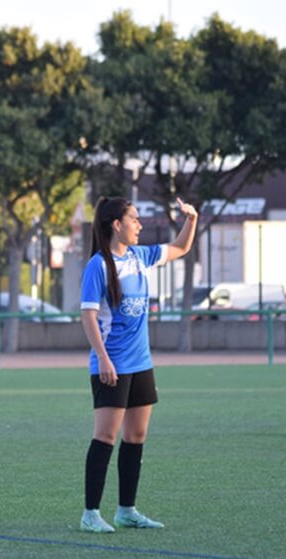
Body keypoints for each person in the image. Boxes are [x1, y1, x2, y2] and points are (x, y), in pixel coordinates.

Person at [79, 196, 198, 533]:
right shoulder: (98, 265)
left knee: (136, 435)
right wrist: (102, 357)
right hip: (111, 364)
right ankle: (90, 513)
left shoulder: (140, 256)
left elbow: (180, 248)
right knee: (105, 436)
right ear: (117, 224)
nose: (139, 225)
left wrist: (191, 219)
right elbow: (88, 315)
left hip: (141, 362)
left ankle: (126, 510)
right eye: (134, 219)